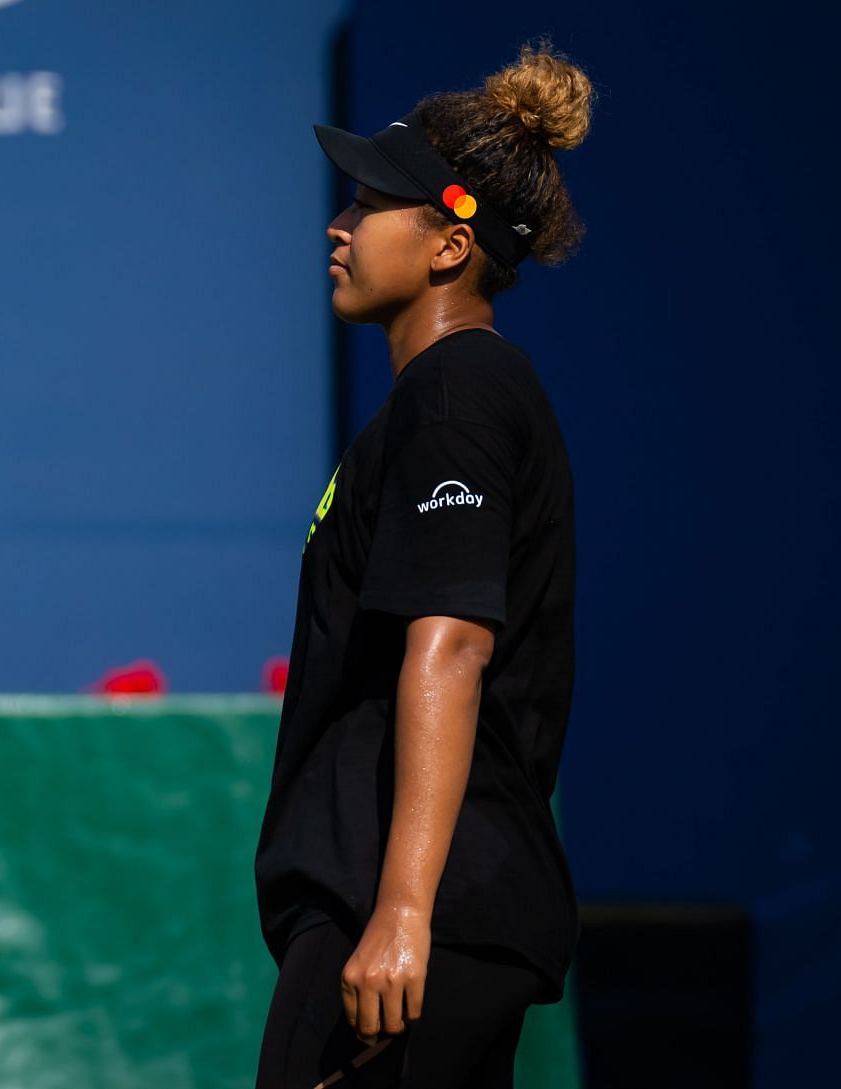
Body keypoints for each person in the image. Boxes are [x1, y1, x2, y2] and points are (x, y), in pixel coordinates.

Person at [253, 44, 594, 1089]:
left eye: (369, 206)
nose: (339, 225)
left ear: (449, 247)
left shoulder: (459, 397)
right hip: (426, 913)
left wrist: (401, 910)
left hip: (412, 919)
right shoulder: (438, 402)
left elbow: (448, 648)